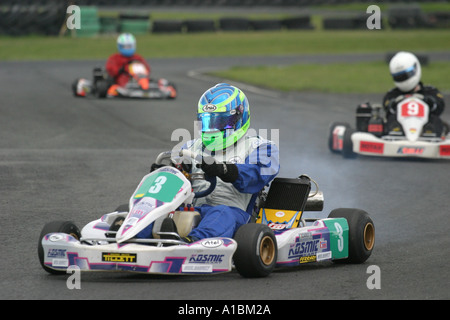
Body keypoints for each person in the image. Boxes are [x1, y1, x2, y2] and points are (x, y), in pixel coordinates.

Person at [141, 83, 280, 242]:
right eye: (208, 122)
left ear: (239, 118)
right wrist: (167, 172)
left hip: (234, 213)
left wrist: (224, 170)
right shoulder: (190, 147)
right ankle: (132, 234)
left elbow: (256, 175)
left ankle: (193, 243)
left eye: (220, 122)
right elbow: (173, 186)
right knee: (156, 209)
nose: (213, 129)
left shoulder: (261, 147)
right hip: (193, 209)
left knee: (221, 213)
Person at [382, 51, 446, 136]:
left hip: (425, 129)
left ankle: (430, 134)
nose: (402, 79)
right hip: (400, 131)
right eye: (399, 77)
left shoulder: (430, 91)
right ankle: (395, 133)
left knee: (435, 120)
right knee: (391, 119)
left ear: (415, 69)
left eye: (405, 76)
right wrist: (394, 103)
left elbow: (439, 106)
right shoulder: (392, 94)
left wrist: (428, 101)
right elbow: (387, 107)